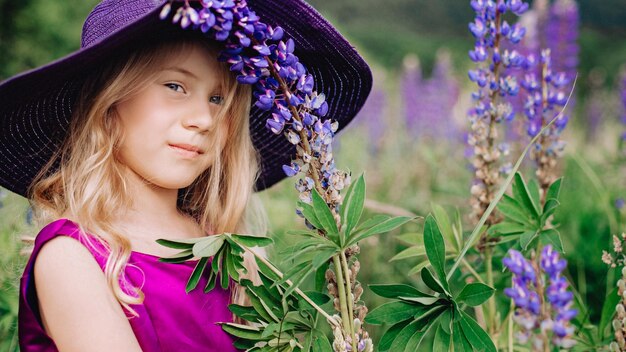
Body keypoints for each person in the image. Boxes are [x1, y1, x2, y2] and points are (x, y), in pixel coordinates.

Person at [0, 0, 372, 351]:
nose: (205, 119)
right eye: (175, 86)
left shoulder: (231, 251)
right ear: (109, 105)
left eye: (218, 99)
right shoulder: (72, 256)